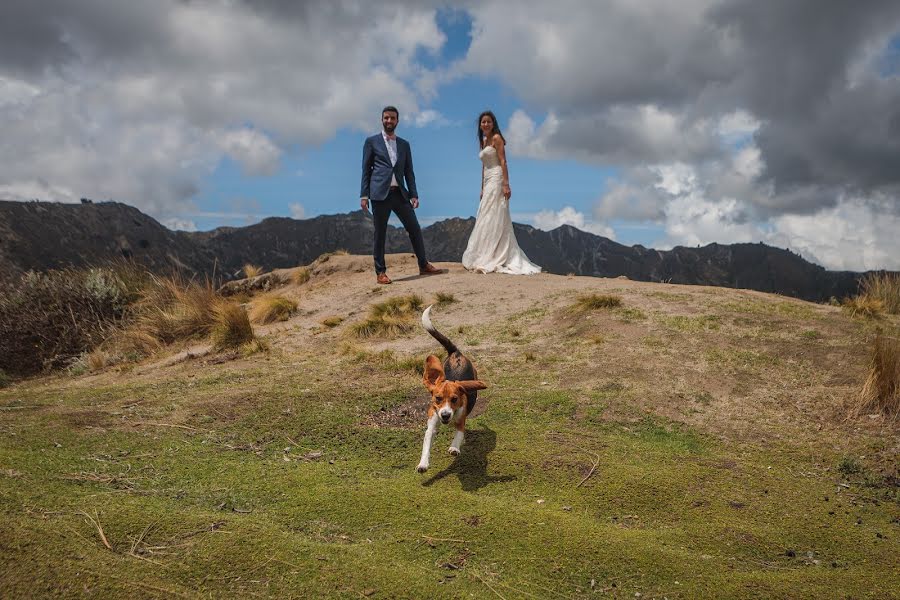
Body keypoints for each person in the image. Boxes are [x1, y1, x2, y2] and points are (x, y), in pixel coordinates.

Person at [360, 105, 442, 284]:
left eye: (392, 118)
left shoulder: (404, 144)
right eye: (386, 118)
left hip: (400, 194)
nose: (389, 121)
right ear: (382, 119)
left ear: (397, 121)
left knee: (414, 228)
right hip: (379, 194)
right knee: (380, 234)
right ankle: (380, 273)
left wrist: (414, 194)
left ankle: (423, 265)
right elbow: (366, 170)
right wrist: (364, 195)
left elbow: (409, 171)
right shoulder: (371, 141)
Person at [462, 110, 541, 275]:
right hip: (488, 179)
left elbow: (503, 161)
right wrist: (482, 187)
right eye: (483, 122)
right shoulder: (484, 141)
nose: (485, 124)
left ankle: (496, 254)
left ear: (493, 123)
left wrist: (506, 184)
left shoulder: (497, 138)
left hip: (498, 177)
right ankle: (486, 252)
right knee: (486, 213)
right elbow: (483, 166)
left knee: (495, 213)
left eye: (488, 122)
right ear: (480, 125)